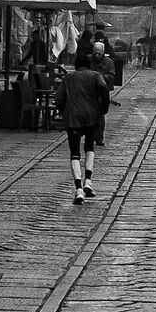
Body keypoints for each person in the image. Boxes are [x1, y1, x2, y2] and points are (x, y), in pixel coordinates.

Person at [62, 46, 110, 204]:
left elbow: (59, 98)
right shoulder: (96, 75)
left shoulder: (68, 78)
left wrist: (64, 111)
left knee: (74, 153)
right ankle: (88, 181)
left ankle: (78, 189)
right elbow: (104, 90)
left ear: (76, 66)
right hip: (91, 117)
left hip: (73, 118)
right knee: (90, 147)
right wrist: (103, 109)